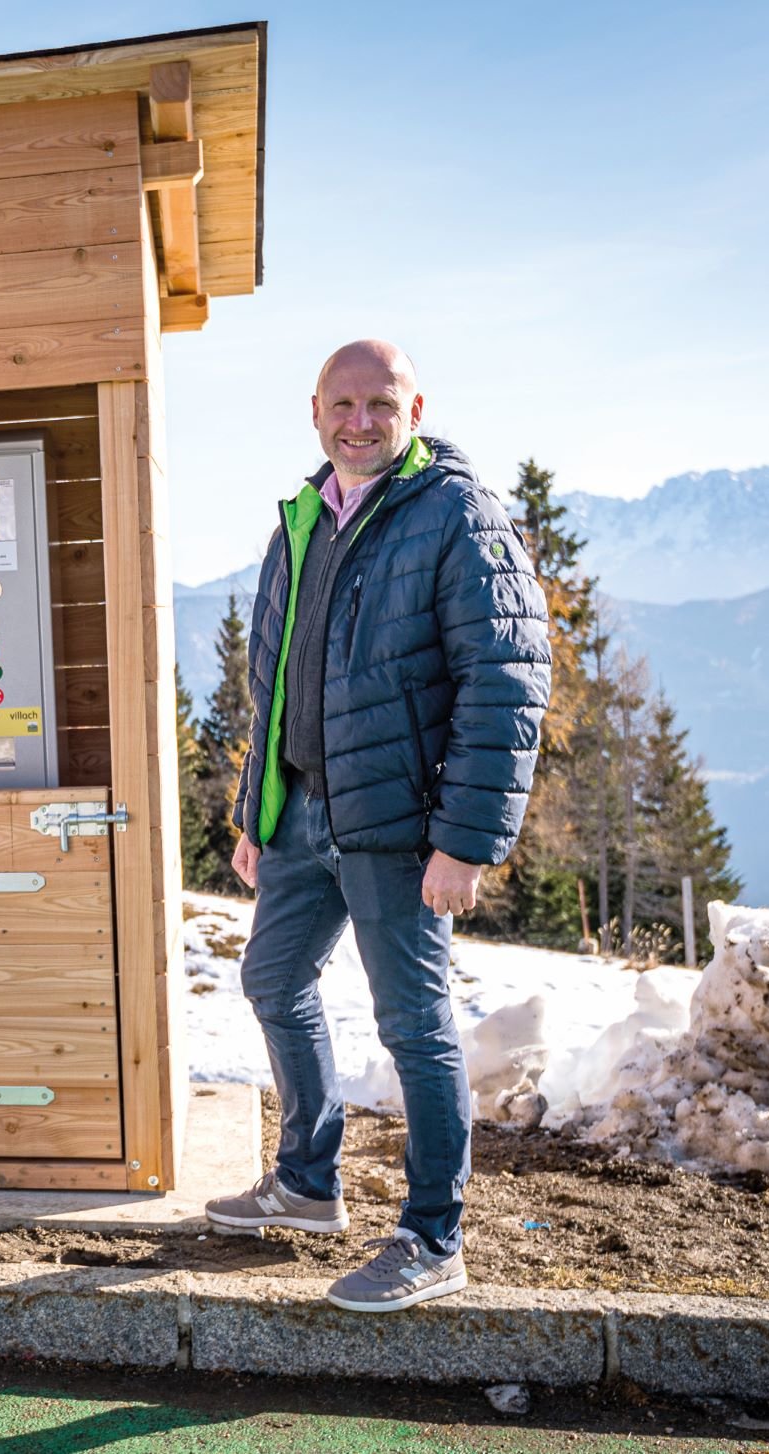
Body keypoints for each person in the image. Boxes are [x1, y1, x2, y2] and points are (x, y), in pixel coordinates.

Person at [208, 341, 550, 1313]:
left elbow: (508, 680)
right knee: (272, 975)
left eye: (380, 404)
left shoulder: (454, 514)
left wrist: (466, 841)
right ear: (315, 409)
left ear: (414, 409)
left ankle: (433, 1235)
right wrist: (256, 810)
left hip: (401, 821)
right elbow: (273, 681)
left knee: (413, 1024)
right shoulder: (305, 516)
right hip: (305, 812)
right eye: (343, 403)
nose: (360, 420)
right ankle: (309, 1180)